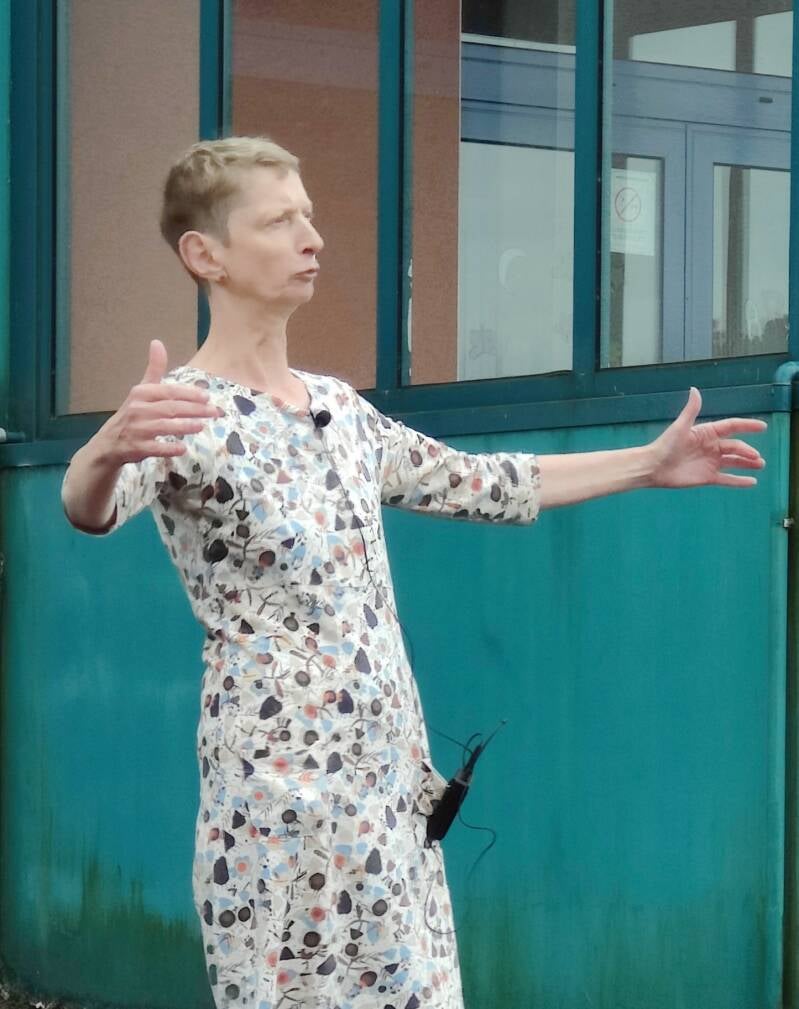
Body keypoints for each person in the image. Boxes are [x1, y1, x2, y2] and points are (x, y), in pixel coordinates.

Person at [61, 137, 767, 1009]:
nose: (312, 237)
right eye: (279, 221)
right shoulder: (180, 415)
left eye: (308, 215)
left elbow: (488, 482)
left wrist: (648, 463)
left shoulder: (339, 409)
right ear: (205, 255)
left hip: (388, 791)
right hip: (276, 801)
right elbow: (89, 506)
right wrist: (103, 450)